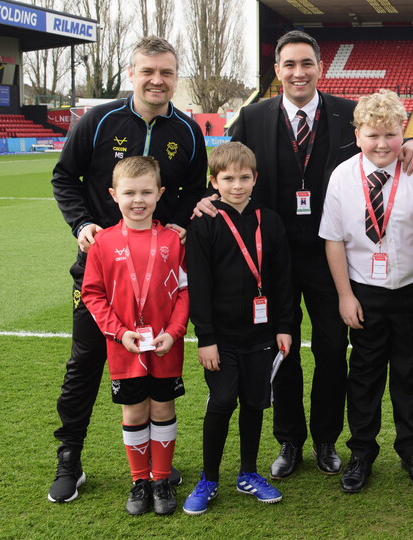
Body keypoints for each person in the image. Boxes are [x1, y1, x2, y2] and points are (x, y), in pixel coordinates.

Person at [199, 30, 413, 480]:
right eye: (289, 65)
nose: (298, 72)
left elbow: (386, 133)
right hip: (269, 259)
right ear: (277, 71)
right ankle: (290, 440)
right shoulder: (252, 115)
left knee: (331, 351)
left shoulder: (346, 112)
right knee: (281, 349)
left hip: (331, 255)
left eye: (306, 63)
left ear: (320, 67)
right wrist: (203, 198)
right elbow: (223, 165)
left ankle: (326, 439)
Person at [49, 35, 206, 504]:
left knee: (156, 368)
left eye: (166, 73)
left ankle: (158, 465)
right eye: (148, 71)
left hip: (159, 272)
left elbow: (195, 190)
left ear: (175, 78)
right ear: (132, 74)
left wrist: (178, 225)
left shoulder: (189, 131)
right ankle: (69, 457)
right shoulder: (98, 122)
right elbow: (64, 176)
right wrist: (82, 223)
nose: (157, 80)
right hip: (103, 267)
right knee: (85, 364)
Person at [319, 90, 413, 494]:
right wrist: (344, 296)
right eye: (373, 135)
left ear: (402, 132)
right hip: (363, 291)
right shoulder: (341, 176)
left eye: (390, 134)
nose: (382, 144)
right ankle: (362, 452)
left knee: (410, 372)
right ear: (357, 135)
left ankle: (410, 450)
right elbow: (333, 239)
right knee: (365, 375)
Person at [182, 142, 293, 515]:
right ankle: (209, 477)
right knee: (223, 400)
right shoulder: (205, 223)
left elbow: (282, 280)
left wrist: (285, 326)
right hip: (222, 338)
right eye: (228, 178)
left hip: (262, 334)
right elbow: (198, 284)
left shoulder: (270, 220)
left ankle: (248, 472)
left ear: (255, 178)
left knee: (255, 402)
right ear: (214, 181)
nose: (237, 185)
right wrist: (206, 338)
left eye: (244, 177)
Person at [79, 156, 190, 515]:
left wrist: (174, 334)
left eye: (146, 192)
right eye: (129, 193)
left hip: (165, 348)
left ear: (160, 193)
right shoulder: (103, 243)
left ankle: (161, 480)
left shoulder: (173, 241)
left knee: (162, 408)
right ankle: (139, 481)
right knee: (133, 413)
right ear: (114, 195)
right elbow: (92, 295)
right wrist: (118, 332)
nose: (138, 200)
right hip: (124, 348)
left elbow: (185, 293)